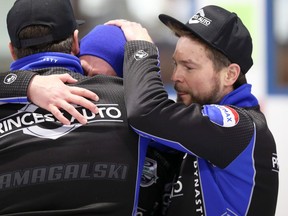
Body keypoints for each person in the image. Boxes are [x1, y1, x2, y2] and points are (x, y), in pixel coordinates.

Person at [106, 5, 279, 216]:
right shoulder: (200, 129)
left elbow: (146, 112)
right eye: (175, 64)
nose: (176, 76)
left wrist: (141, 49)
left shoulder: (239, 126)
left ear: (230, 75)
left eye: (189, 67)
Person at [0, 0, 143, 215]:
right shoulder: (132, 101)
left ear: (12, 50)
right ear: (76, 42)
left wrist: (22, 84)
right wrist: (144, 50)